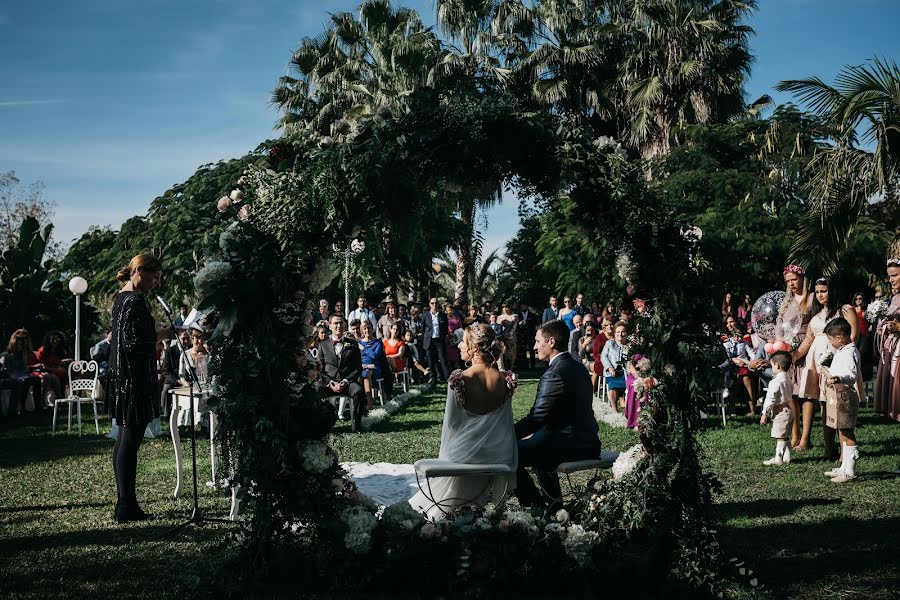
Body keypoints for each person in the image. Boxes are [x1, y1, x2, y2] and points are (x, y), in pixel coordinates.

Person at [408, 324, 517, 520]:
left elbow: (451, 425)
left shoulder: (460, 379)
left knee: (436, 506)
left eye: (463, 341)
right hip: (497, 452)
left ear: (474, 348)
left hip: (463, 453)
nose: (458, 345)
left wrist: (446, 459)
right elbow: (505, 423)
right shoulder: (505, 379)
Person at [109, 253, 173, 522]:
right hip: (133, 380)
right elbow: (134, 345)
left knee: (124, 440)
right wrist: (163, 336)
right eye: (154, 277)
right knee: (129, 442)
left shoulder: (122, 298)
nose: (156, 283)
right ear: (139, 271)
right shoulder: (134, 301)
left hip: (123, 377)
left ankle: (125, 503)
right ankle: (127, 506)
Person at [515, 320, 601, 507]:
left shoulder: (554, 373)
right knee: (536, 448)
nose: (534, 346)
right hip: (589, 440)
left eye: (538, 341)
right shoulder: (577, 367)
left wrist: (507, 434)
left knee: (510, 453)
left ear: (551, 342)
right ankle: (554, 508)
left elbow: (537, 417)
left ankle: (538, 509)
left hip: (569, 444)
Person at [792, 278, 858, 459]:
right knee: (823, 403)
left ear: (832, 290)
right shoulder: (818, 313)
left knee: (839, 404)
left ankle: (846, 449)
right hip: (817, 362)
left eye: (824, 291)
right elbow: (808, 339)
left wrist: (836, 358)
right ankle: (829, 448)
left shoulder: (845, 310)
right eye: (818, 292)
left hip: (836, 361)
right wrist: (794, 355)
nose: (820, 295)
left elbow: (852, 336)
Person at [775, 264, 814, 451]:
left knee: (806, 393)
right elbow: (779, 326)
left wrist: (800, 351)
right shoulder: (785, 302)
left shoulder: (812, 299)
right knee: (791, 394)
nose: (791, 284)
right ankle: (795, 433)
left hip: (806, 348)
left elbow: (815, 326)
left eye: (794, 279)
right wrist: (780, 346)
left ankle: (805, 437)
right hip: (787, 350)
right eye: (788, 281)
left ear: (802, 279)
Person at [821, 318, 862, 482]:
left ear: (840, 338)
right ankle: (844, 466)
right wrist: (828, 370)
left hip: (845, 395)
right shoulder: (842, 351)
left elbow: (851, 374)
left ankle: (850, 471)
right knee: (841, 429)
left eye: (830, 339)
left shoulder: (850, 352)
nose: (830, 343)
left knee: (847, 430)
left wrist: (838, 377)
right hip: (837, 394)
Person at [319, 314, 365, 432]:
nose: (338, 326)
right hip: (329, 383)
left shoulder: (353, 344)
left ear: (344, 325)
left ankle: (357, 424)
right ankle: (321, 426)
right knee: (316, 392)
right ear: (330, 326)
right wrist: (330, 382)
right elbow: (319, 368)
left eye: (340, 323)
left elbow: (358, 368)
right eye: (335, 323)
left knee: (359, 391)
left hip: (348, 382)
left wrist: (346, 381)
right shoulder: (323, 345)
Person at [874, 244, 900, 422]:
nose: (891, 280)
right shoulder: (894, 297)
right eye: (890, 276)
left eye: (895, 275)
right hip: (890, 344)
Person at [760, 351, 794, 465]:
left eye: (772, 365)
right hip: (789, 409)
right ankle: (787, 457)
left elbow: (770, 399)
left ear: (777, 365)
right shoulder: (788, 379)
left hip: (780, 411)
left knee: (779, 436)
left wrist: (765, 413)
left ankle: (778, 458)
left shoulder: (775, 382)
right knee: (785, 435)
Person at [0, 329, 43, 413]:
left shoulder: (21, 356)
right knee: (20, 382)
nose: (19, 346)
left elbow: (24, 369)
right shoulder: (5, 355)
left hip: (20, 376)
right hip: (9, 379)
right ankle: (18, 408)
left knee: (35, 379)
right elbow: (5, 371)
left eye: (21, 344)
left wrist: (30, 371)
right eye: (18, 344)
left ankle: (37, 407)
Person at [160, 329, 189, 418]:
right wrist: (177, 380)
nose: (186, 341)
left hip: (187, 380)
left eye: (187, 339)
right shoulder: (170, 351)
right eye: (183, 339)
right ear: (178, 338)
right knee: (166, 390)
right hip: (173, 379)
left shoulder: (190, 350)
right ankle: (166, 414)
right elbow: (165, 370)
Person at [601, 321, 629, 413]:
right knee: (613, 385)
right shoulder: (610, 343)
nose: (620, 334)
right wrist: (609, 367)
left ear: (626, 333)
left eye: (622, 332)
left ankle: (626, 407)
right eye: (617, 332)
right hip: (612, 371)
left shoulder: (629, 345)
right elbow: (603, 356)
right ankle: (614, 409)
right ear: (614, 333)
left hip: (625, 372)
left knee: (628, 383)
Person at [421, 298, 450, 384]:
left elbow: (445, 329)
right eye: (432, 303)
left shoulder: (443, 315)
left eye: (436, 303)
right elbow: (423, 329)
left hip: (439, 340)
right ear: (430, 304)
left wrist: (442, 336)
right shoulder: (425, 315)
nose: (434, 305)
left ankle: (448, 379)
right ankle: (433, 379)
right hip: (429, 340)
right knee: (430, 360)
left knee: (443, 359)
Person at [36, 330, 71, 399]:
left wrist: (66, 361)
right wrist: (56, 369)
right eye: (53, 339)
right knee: (55, 376)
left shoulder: (58, 351)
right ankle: (59, 398)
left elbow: (57, 362)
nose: (55, 341)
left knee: (65, 372)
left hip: (54, 371)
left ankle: (69, 395)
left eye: (57, 340)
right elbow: (41, 365)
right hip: (43, 371)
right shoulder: (43, 350)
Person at [357, 321, 383, 410]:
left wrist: (363, 349)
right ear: (362, 331)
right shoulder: (359, 342)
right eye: (364, 328)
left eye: (369, 328)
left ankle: (370, 405)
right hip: (362, 366)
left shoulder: (378, 342)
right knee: (359, 375)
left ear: (372, 329)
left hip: (374, 366)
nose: (367, 330)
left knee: (366, 374)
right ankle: (358, 404)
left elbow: (374, 355)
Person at [496, 303, 519, 370]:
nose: (505, 309)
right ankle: (503, 368)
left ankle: (510, 368)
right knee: (503, 352)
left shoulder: (514, 316)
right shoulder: (499, 317)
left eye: (506, 307)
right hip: (501, 336)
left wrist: (510, 333)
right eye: (503, 307)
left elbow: (515, 326)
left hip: (510, 336)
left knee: (511, 353)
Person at [517, 302, 538, 369]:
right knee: (522, 351)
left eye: (524, 306)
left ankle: (533, 365)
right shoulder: (518, 315)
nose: (523, 308)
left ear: (527, 307)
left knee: (532, 350)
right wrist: (519, 324)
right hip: (521, 335)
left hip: (530, 335)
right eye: (522, 307)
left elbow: (535, 325)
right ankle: (524, 365)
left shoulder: (532, 315)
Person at [445, 302, 463, 370]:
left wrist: (458, 335)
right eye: (448, 310)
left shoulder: (457, 318)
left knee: (456, 357)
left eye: (450, 310)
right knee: (449, 357)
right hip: (448, 338)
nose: (449, 312)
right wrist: (450, 333)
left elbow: (461, 327)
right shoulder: (445, 318)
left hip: (457, 338)